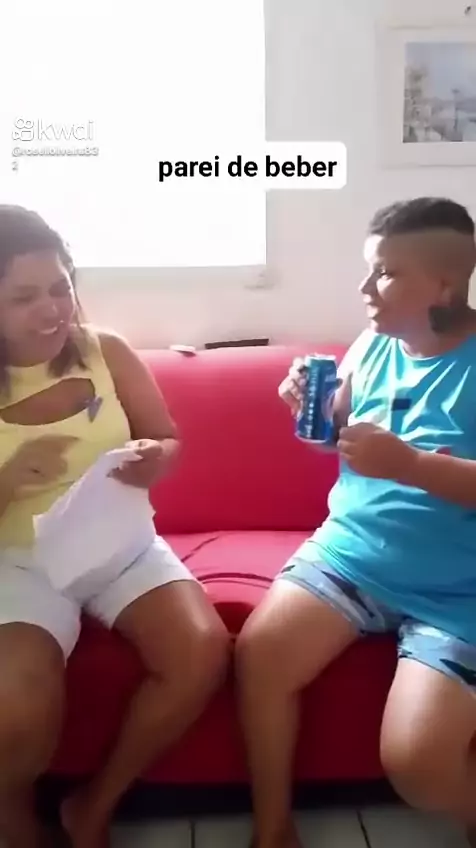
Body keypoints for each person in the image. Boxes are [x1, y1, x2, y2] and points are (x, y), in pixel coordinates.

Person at [236, 197, 476, 848]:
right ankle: (273, 830)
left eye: (387, 273)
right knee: (261, 658)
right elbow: (339, 437)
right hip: (351, 555)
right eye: (369, 269)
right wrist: (311, 412)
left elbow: (404, 462)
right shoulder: (372, 344)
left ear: (444, 285)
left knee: (420, 768)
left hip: (458, 592)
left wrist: (412, 466)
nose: (366, 288)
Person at [0, 205, 230, 848]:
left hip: (120, 543)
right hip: (18, 560)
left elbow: (167, 436)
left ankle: (93, 806)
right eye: (23, 297)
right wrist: (8, 479)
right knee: (14, 698)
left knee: (200, 651)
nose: (51, 310)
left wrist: (157, 456)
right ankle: (16, 824)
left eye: (60, 288)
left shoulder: (106, 350)